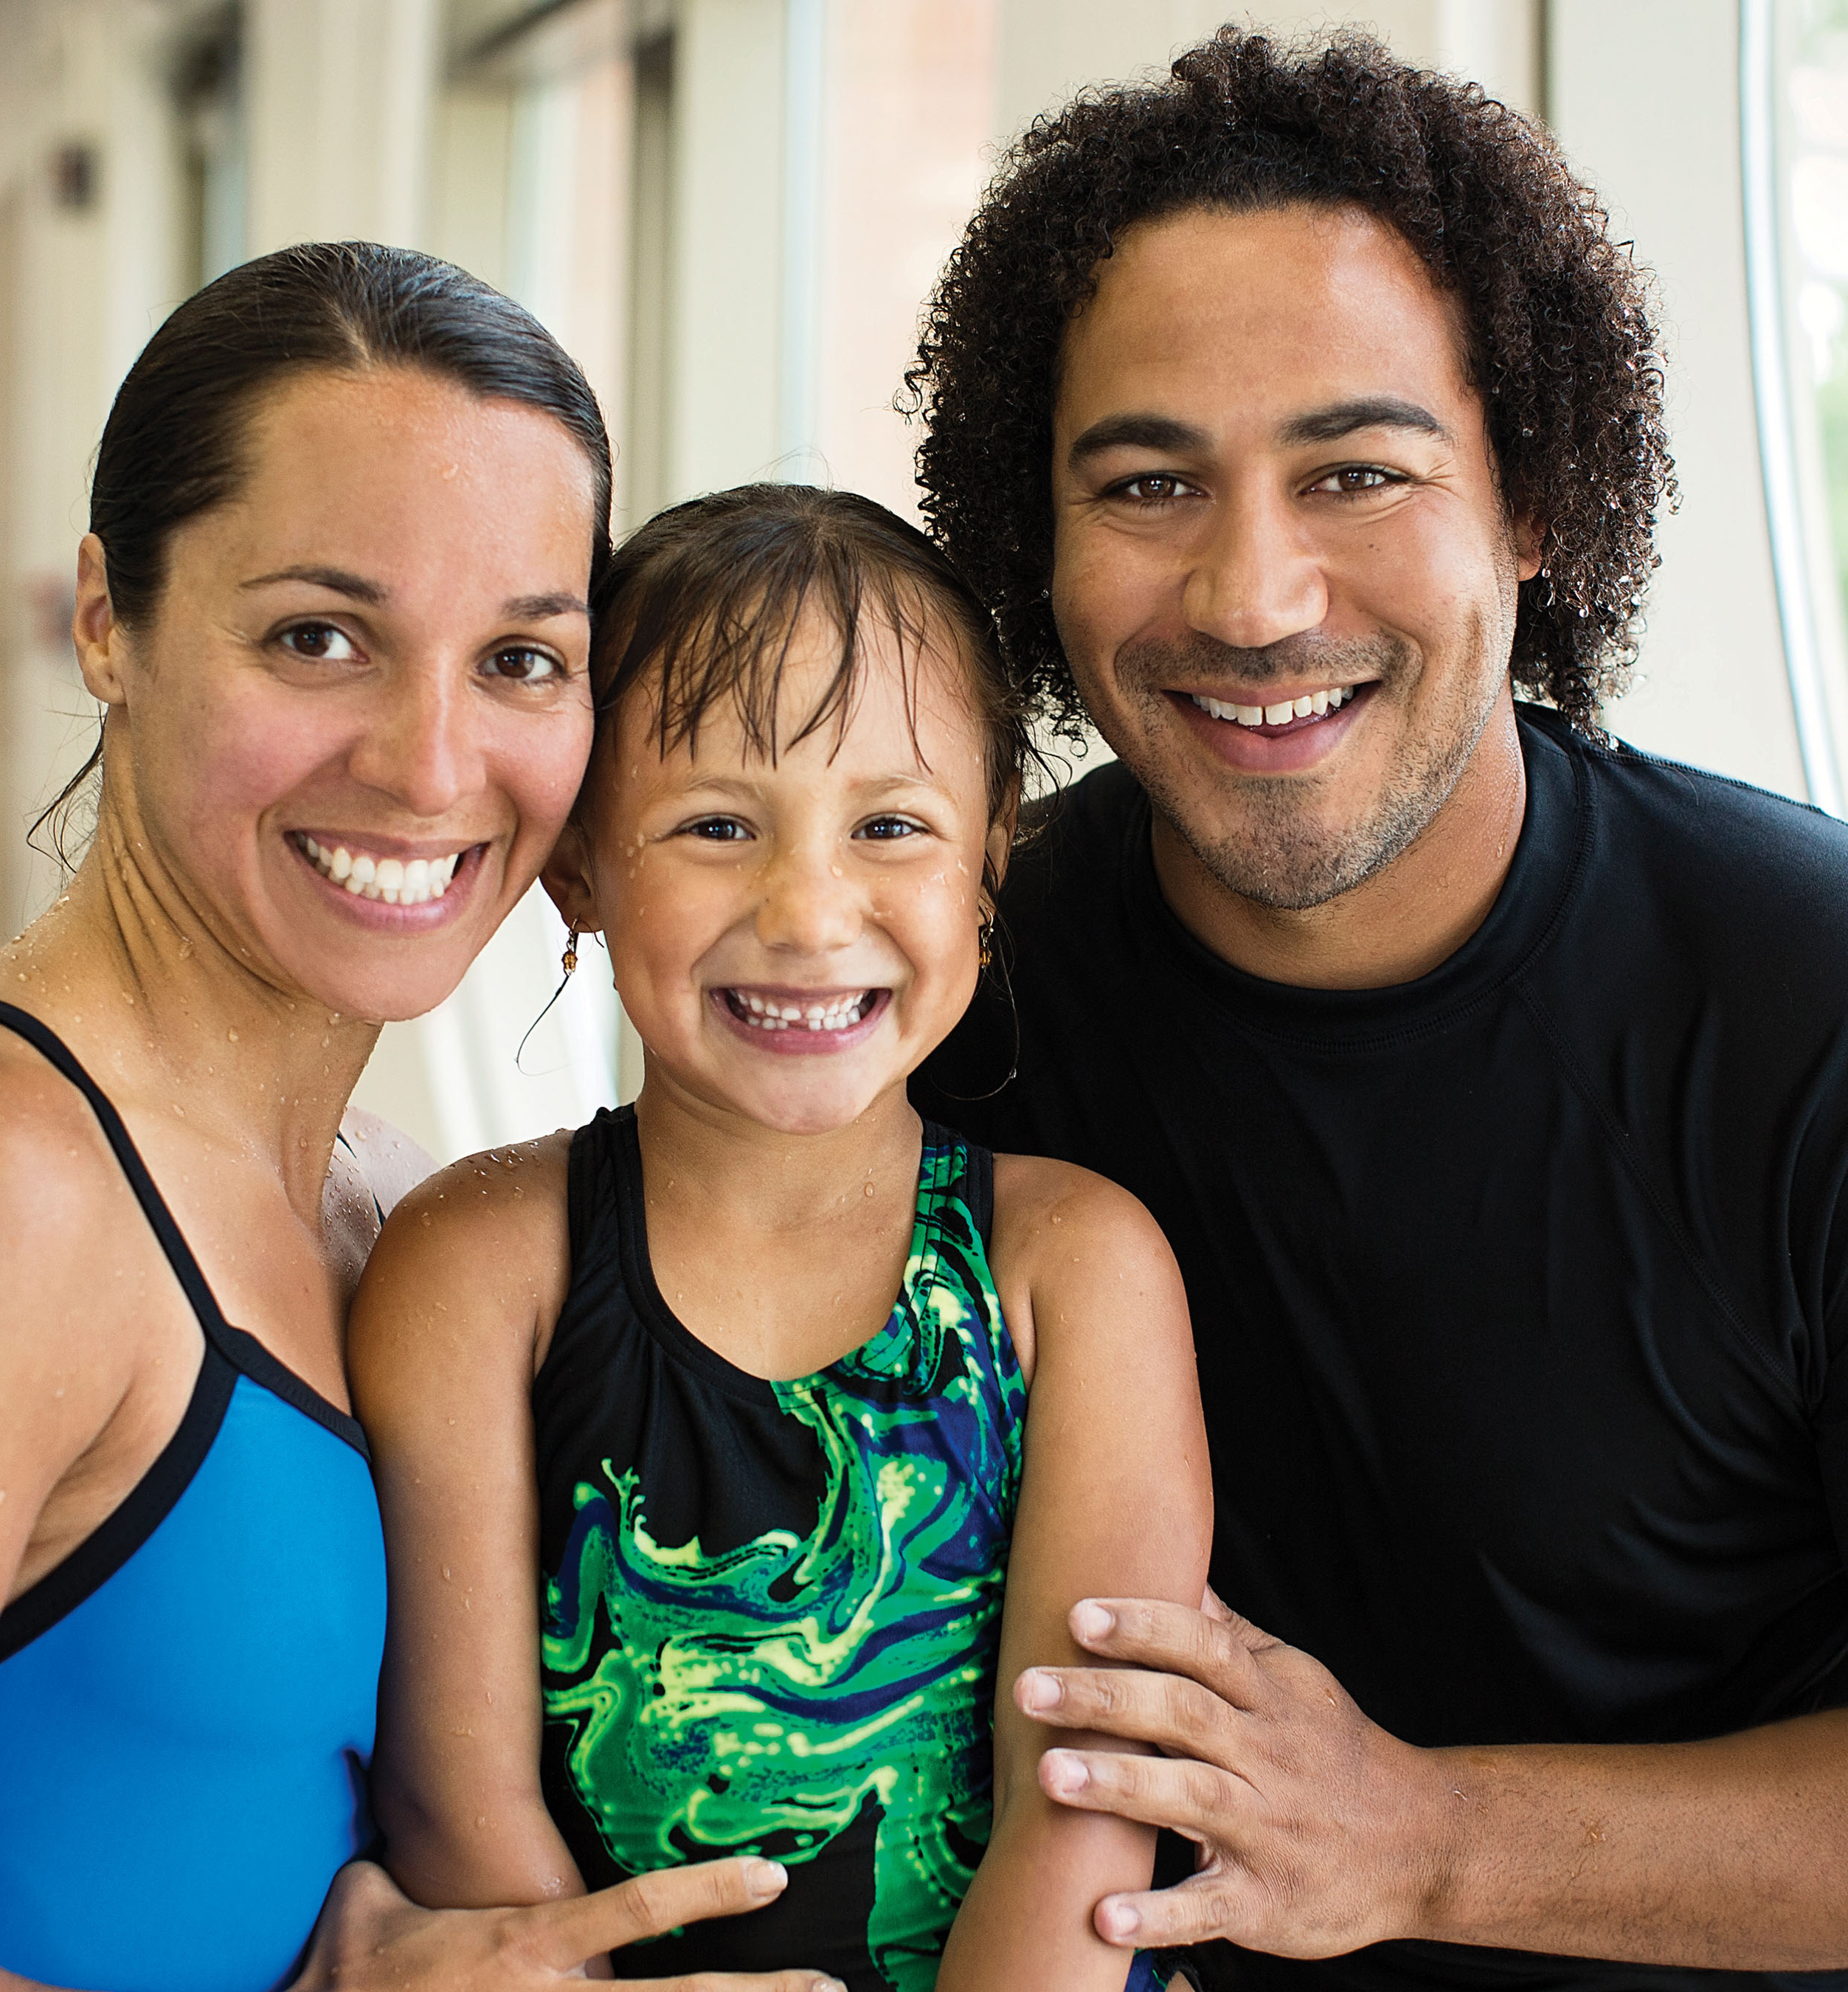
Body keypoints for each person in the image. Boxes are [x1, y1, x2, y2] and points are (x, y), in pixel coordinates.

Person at [902, 31, 1848, 1992]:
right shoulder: (944, 996)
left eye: (1358, 471)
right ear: (1040, 540)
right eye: (1152, 480)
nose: (1256, 594)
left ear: (1533, 503)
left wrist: (1423, 1836)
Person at [0, 243, 831, 1992]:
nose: (432, 766)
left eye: (519, 657)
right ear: (106, 619)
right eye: (317, 636)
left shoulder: (391, 1205)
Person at [349, 485, 1211, 1992]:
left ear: (989, 855)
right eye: (714, 825)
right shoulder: (479, 1270)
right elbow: (457, 1805)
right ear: (579, 869)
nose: (809, 914)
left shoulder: (1071, 1274)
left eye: (891, 825)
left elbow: (1081, 1813)